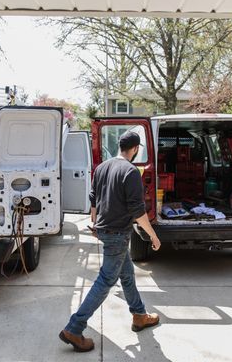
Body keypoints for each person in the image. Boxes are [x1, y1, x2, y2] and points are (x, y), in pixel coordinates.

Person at [59, 131, 162, 352]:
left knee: (126, 274)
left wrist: (95, 223)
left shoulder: (102, 167)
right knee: (106, 281)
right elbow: (137, 210)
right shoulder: (130, 171)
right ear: (134, 149)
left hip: (106, 230)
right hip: (117, 233)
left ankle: (139, 314)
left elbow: (93, 198)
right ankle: (74, 328)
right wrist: (152, 235)